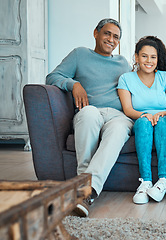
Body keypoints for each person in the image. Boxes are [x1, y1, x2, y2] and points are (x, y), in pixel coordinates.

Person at [46, 18, 133, 217]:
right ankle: (85, 188)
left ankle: (84, 191)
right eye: (107, 34)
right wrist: (74, 85)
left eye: (116, 37)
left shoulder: (122, 63)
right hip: (90, 109)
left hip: (118, 115)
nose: (111, 39)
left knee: (120, 129)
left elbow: (134, 86)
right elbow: (52, 77)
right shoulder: (79, 54)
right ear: (96, 33)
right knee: (89, 114)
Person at [117, 36, 166, 204]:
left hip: (164, 119)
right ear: (136, 57)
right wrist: (145, 116)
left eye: (153, 57)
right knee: (144, 123)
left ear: (158, 59)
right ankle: (145, 182)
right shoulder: (126, 79)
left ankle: (163, 181)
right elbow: (128, 110)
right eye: (144, 56)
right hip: (140, 119)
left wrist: (161, 114)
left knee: (164, 122)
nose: (149, 61)